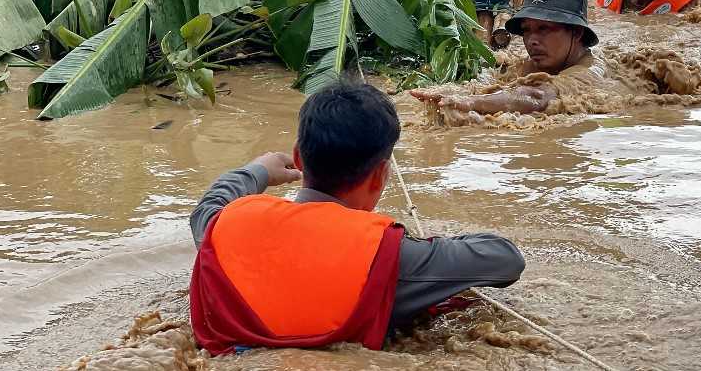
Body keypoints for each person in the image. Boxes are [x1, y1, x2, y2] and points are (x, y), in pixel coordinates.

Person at [188, 82, 524, 355]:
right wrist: (430, 248)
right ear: (380, 175)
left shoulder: (226, 225)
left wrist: (258, 170)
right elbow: (506, 260)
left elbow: (210, 205)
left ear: (297, 158)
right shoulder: (392, 253)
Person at [411, 0, 598, 118]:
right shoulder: (532, 65)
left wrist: (469, 102)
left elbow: (538, 97)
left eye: (544, 29)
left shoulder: (587, 73)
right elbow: (499, 86)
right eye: (526, 30)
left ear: (577, 32)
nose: (532, 40)